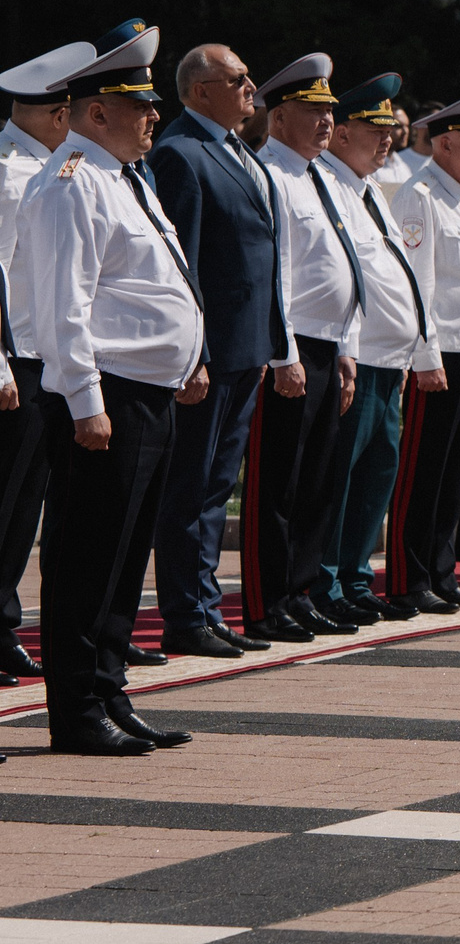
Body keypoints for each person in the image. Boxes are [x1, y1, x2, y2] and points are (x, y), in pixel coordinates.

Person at [22, 25, 210, 754]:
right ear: (95, 112)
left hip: (148, 392)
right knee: (86, 558)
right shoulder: (71, 180)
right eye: (139, 105)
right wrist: (86, 401)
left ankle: (109, 688)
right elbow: (63, 302)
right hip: (106, 398)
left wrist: (187, 358)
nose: (153, 117)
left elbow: (159, 281)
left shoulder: (123, 177)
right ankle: (76, 712)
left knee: (126, 556)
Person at [142, 42, 294, 658]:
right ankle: (185, 612)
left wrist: (274, 344)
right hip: (211, 356)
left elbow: (265, 260)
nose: (251, 86)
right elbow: (188, 268)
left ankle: (203, 605)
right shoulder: (182, 153)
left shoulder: (235, 152)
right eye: (237, 78)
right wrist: (195, 354)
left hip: (246, 349)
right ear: (201, 90)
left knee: (214, 486)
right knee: (190, 486)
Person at [242, 54, 361, 642]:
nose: (325, 122)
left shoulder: (321, 176)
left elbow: (340, 264)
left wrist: (344, 347)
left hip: (324, 344)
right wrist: (284, 352)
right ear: (280, 116)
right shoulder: (269, 175)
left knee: (316, 480)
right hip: (288, 348)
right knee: (278, 483)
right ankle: (267, 601)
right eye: (313, 112)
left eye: (330, 112)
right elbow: (277, 275)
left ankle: (302, 589)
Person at [309, 73, 436, 622]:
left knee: (374, 479)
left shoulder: (369, 191)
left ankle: (358, 578)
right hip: (358, 358)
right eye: (373, 128)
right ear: (339, 133)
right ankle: (328, 583)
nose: (387, 139)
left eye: (390, 129)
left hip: (390, 360)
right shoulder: (328, 185)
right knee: (341, 480)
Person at [383, 92, 460, 612]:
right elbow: (420, 284)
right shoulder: (420, 197)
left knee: (456, 471)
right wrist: (427, 356)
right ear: (445, 141)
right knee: (424, 471)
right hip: (440, 355)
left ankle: (440, 571)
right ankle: (410, 578)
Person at [0, 39, 93, 683]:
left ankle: (4, 620)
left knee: (26, 501)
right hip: (15, 358)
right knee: (5, 501)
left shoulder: (55, 166)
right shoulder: (9, 168)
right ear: (59, 112)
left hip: (42, 355)